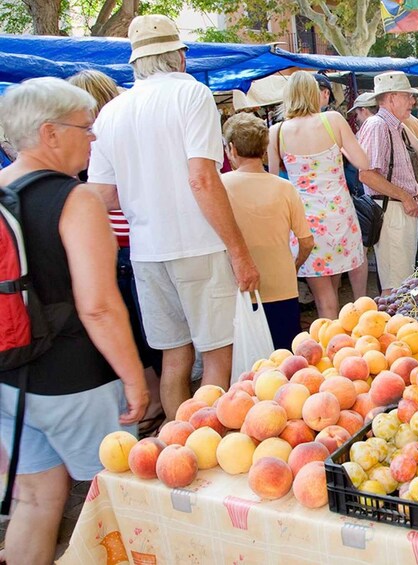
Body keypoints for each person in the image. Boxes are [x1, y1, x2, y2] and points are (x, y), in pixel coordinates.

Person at [0, 77, 149, 565]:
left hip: (9, 376)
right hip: (75, 379)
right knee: (120, 496)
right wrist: (134, 380)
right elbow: (99, 306)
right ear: (49, 133)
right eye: (86, 128)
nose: (93, 138)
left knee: (36, 499)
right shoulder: (77, 200)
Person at [87, 15, 259, 420]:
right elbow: (202, 179)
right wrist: (239, 252)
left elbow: (103, 195)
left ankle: (178, 449)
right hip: (198, 245)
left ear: (137, 63)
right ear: (179, 57)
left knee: (173, 358)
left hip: (146, 252)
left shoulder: (112, 111)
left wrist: (145, 196)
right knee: (218, 354)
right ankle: (208, 444)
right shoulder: (192, 95)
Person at [68, 68, 164, 435]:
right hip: (140, 240)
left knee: (133, 330)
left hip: (118, 245)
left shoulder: (96, 140)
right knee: (148, 330)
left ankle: (149, 401)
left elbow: (102, 197)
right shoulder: (132, 129)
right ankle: (153, 401)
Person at [267, 71, 378, 318]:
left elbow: (274, 183)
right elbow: (363, 161)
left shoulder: (277, 132)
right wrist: (338, 148)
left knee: (324, 299)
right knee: (338, 287)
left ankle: (333, 349)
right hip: (340, 217)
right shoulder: (333, 120)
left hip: (305, 222)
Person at [222, 113, 314, 350]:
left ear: (231, 149)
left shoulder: (219, 186)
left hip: (237, 288)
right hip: (282, 284)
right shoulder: (285, 187)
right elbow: (306, 241)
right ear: (264, 149)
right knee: (285, 362)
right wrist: (293, 266)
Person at [356, 71, 418, 292]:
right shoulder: (378, 125)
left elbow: (391, 172)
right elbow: (367, 174)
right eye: (408, 96)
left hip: (399, 211)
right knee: (394, 285)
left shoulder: (394, 126)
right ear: (391, 98)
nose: (413, 101)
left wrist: (414, 188)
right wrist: (405, 195)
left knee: (402, 279)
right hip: (391, 213)